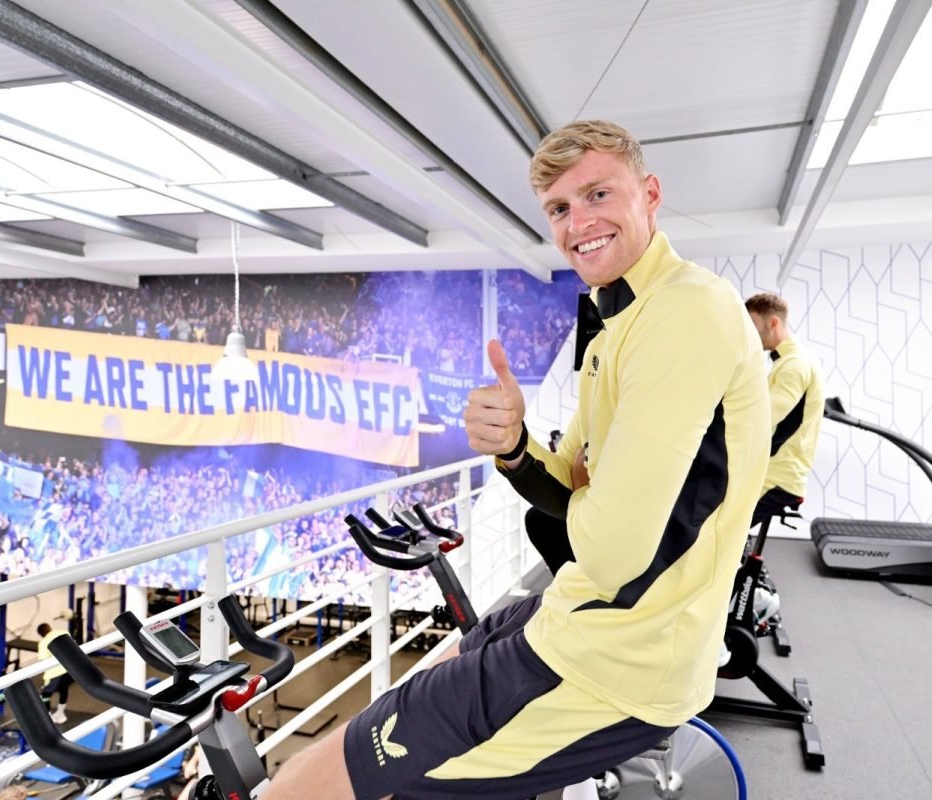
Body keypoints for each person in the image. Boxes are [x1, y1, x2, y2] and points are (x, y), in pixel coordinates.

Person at [258, 120, 770, 800]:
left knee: (313, 787)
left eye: (597, 194)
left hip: (619, 660)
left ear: (650, 194)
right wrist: (515, 446)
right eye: (559, 209)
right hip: (583, 617)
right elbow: (569, 488)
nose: (577, 222)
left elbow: (613, 550)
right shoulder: (615, 325)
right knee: (439, 661)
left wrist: (591, 493)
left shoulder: (684, 312)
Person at [744, 292, 825, 526]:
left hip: (776, 478)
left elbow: (761, 418)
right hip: (773, 473)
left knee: (716, 530)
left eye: (753, 325)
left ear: (773, 323)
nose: (749, 332)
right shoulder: (791, 362)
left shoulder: (796, 365)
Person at [36, 622, 74, 724]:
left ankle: (47, 716)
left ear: (41, 634)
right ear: (49, 628)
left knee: (45, 695)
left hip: (55, 673)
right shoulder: (64, 632)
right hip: (70, 669)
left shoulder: (43, 642)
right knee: (63, 690)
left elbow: (43, 661)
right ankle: (60, 713)